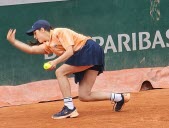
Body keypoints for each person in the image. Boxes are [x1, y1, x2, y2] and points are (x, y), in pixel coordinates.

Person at [7, 19, 130, 119]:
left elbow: (70, 51)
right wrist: (13, 42)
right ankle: (120, 97)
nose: (34, 36)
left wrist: (54, 61)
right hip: (90, 53)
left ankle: (69, 107)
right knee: (84, 95)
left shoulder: (59, 32)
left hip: (88, 49)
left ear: (42, 29)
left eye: (35, 33)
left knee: (60, 72)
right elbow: (31, 50)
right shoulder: (49, 45)